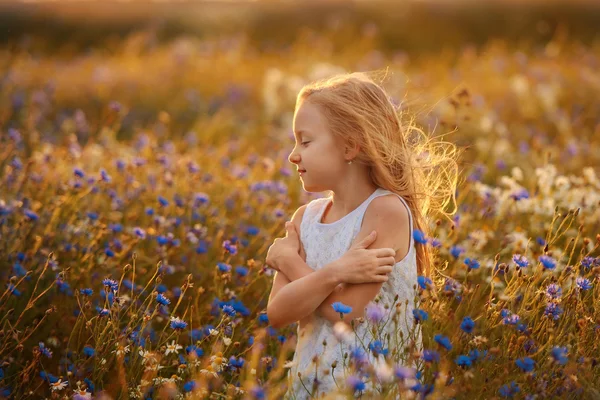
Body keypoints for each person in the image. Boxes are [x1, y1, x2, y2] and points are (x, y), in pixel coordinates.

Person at [265, 72, 460, 399]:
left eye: (306, 141)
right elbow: (278, 312)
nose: (293, 154)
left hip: (371, 387)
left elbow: (345, 311)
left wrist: (295, 263)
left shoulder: (386, 212)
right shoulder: (305, 218)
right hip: (309, 385)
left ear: (350, 146)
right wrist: (336, 273)